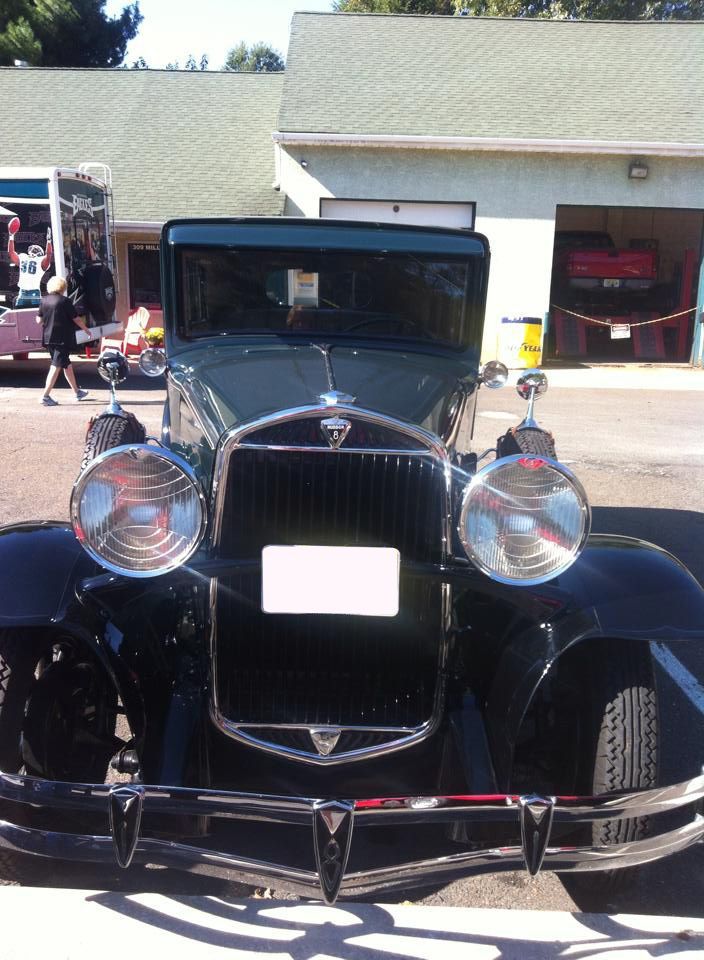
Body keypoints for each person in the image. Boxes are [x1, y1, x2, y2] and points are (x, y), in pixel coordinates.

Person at [35, 276, 90, 406]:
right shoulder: (65, 301)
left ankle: (77, 392)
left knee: (66, 364)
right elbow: (76, 318)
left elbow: (38, 320)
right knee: (56, 366)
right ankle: (45, 396)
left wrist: (48, 317)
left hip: (48, 338)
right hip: (62, 339)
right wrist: (86, 330)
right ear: (63, 287)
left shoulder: (44, 300)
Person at [8, 217, 53, 309]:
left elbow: (11, 252)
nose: (33, 251)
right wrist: (48, 242)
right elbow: (48, 255)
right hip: (26, 292)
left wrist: (11, 236)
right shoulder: (27, 258)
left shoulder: (34, 259)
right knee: (25, 313)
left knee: (30, 313)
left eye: (35, 250)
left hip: (30, 292)